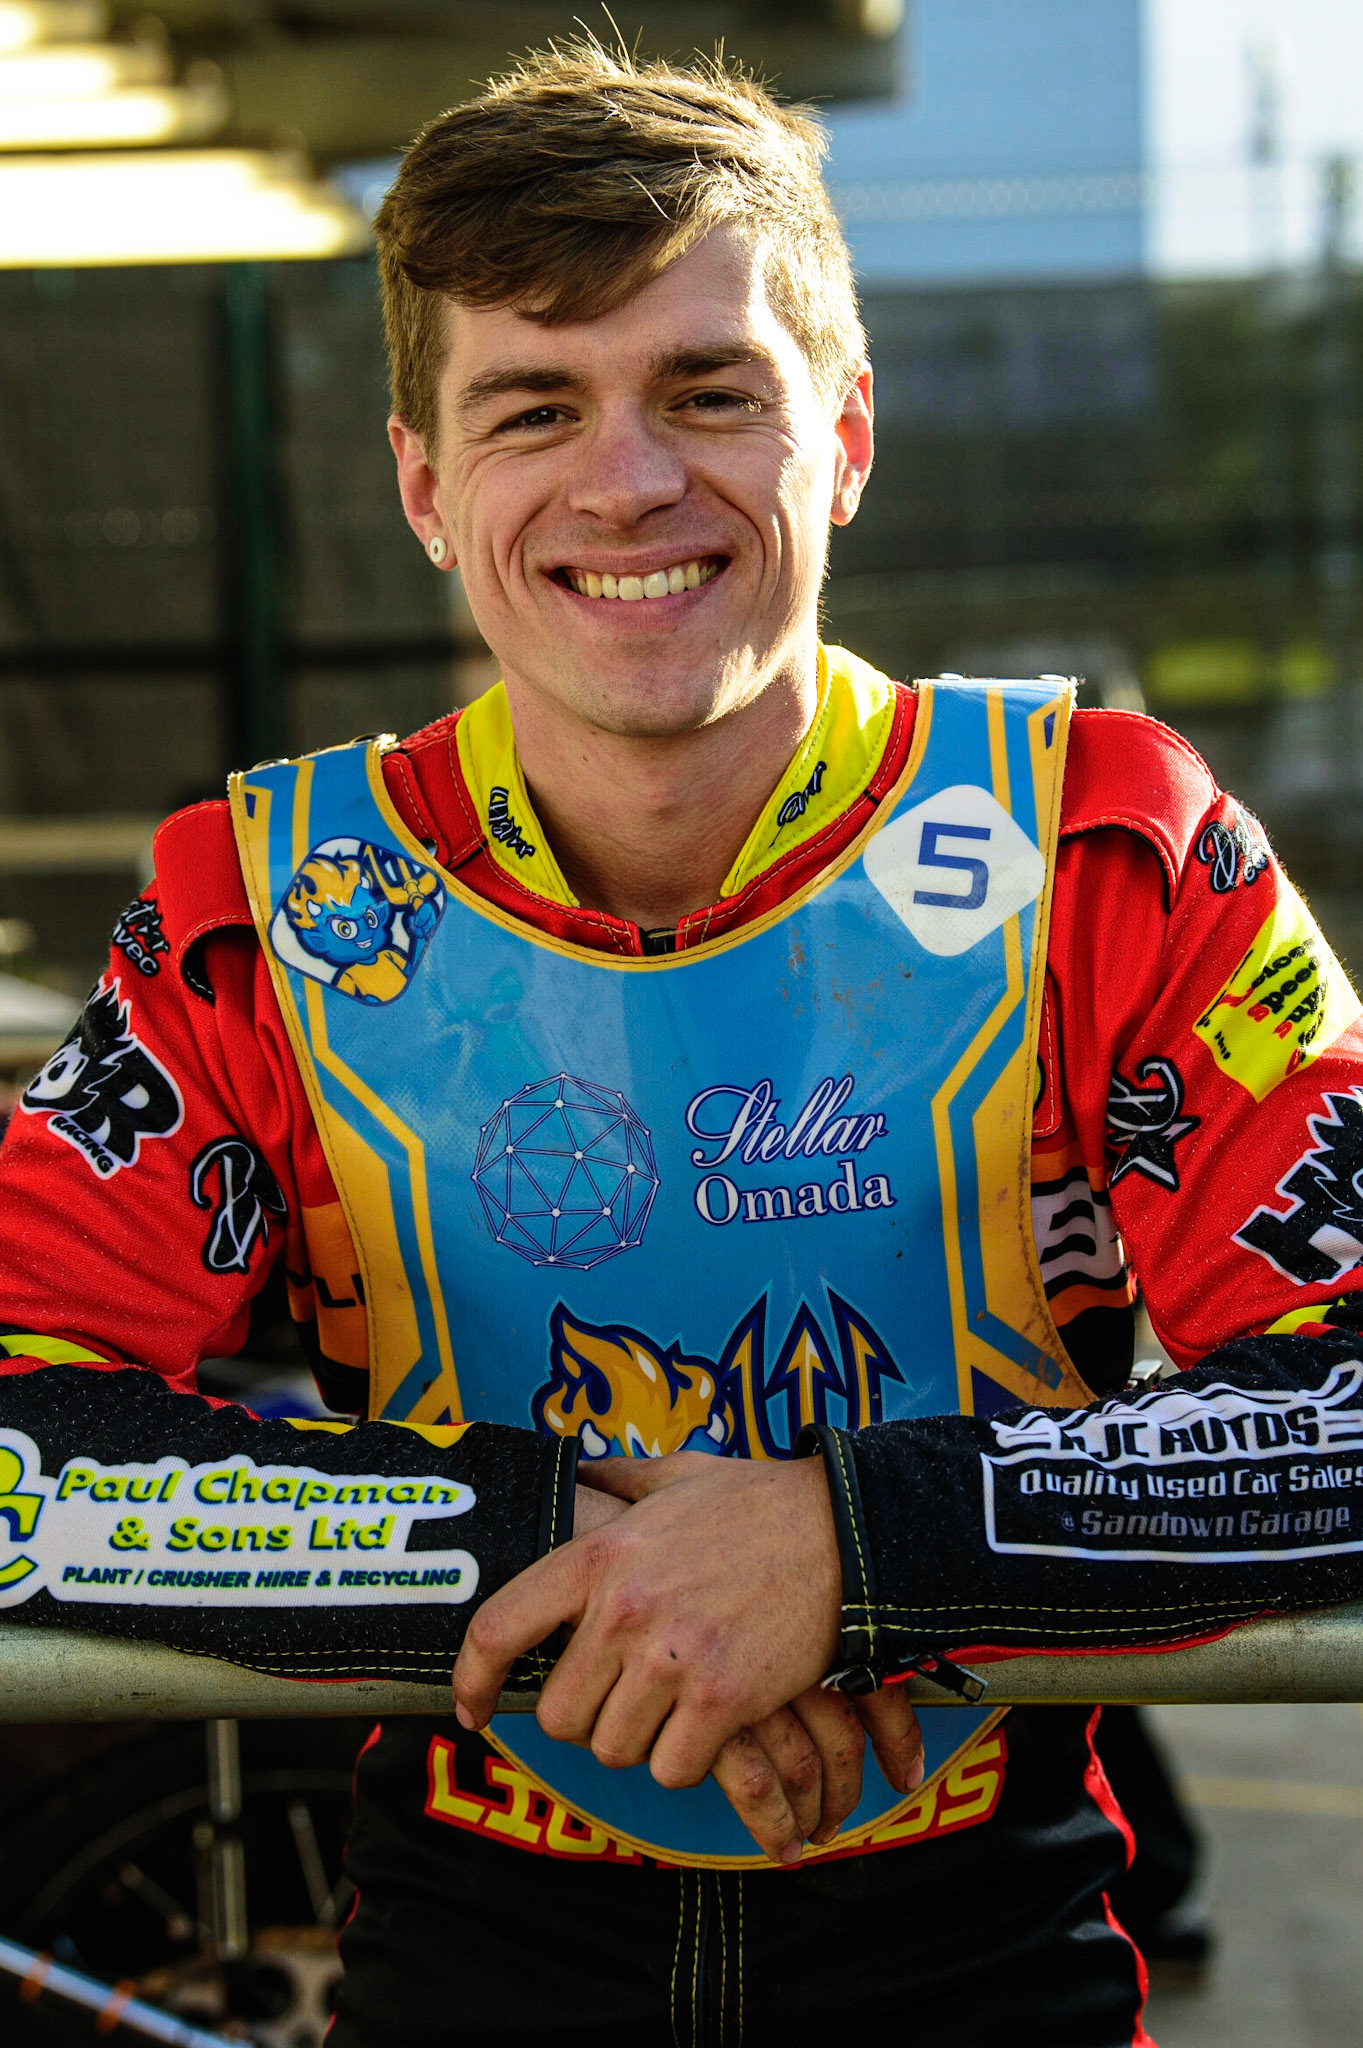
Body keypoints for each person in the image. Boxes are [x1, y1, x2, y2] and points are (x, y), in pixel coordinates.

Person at [3, 39, 1363, 2048]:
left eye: (710, 392)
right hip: (467, 1951)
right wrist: (577, 1564)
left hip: (983, 1955)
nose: (628, 479)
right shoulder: (262, 904)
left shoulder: (1107, 844)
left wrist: (846, 1549)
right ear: (424, 489)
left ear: (848, 438)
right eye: (534, 405)